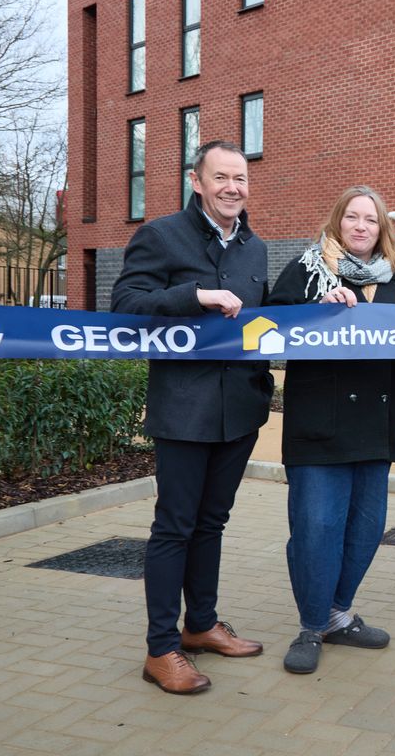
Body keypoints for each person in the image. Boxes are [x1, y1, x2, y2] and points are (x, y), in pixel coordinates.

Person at [111, 141, 273, 695]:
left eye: (241, 178)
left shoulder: (255, 247)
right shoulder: (161, 235)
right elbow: (125, 305)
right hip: (183, 409)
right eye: (222, 177)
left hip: (240, 411)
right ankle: (162, 650)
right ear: (195, 181)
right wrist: (194, 295)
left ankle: (201, 625)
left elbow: (264, 322)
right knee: (174, 528)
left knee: (212, 524)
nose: (234, 187)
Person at [268, 186, 395, 674]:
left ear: (383, 229)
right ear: (338, 221)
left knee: (365, 529)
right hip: (319, 423)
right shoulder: (306, 269)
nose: (361, 227)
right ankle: (311, 624)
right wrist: (316, 305)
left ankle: (338, 614)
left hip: (376, 427)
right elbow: (271, 324)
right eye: (353, 218)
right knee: (316, 528)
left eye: (372, 220)